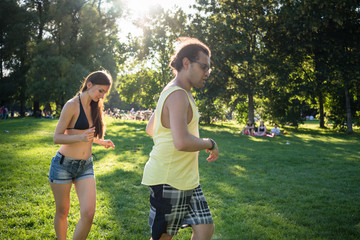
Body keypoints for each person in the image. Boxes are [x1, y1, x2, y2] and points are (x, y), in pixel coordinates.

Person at [142, 37, 219, 240]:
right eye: (204, 67)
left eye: (209, 69)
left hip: (186, 179)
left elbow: (152, 128)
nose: (207, 73)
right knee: (163, 237)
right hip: (169, 180)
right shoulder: (177, 95)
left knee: (204, 229)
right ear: (186, 63)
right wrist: (210, 143)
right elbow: (182, 142)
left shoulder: (176, 91)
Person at [49, 71, 115, 240]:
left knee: (88, 213)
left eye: (105, 93)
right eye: (100, 91)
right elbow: (57, 137)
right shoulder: (71, 105)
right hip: (63, 165)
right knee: (63, 212)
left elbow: (89, 136)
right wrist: (80, 137)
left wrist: (101, 141)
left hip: (85, 166)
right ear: (89, 85)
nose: (102, 96)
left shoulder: (95, 107)